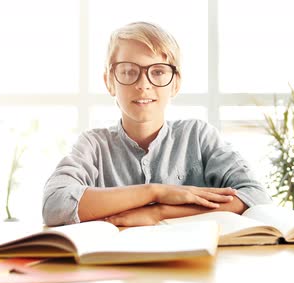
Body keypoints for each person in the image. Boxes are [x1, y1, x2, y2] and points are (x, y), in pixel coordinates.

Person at [42, 21, 271, 226]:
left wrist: (160, 213)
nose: (144, 84)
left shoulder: (198, 136)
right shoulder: (94, 145)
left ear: (175, 84)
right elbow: (54, 205)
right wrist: (154, 193)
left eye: (158, 72)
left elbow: (255, 196)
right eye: (129, 71)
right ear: (110, 82)